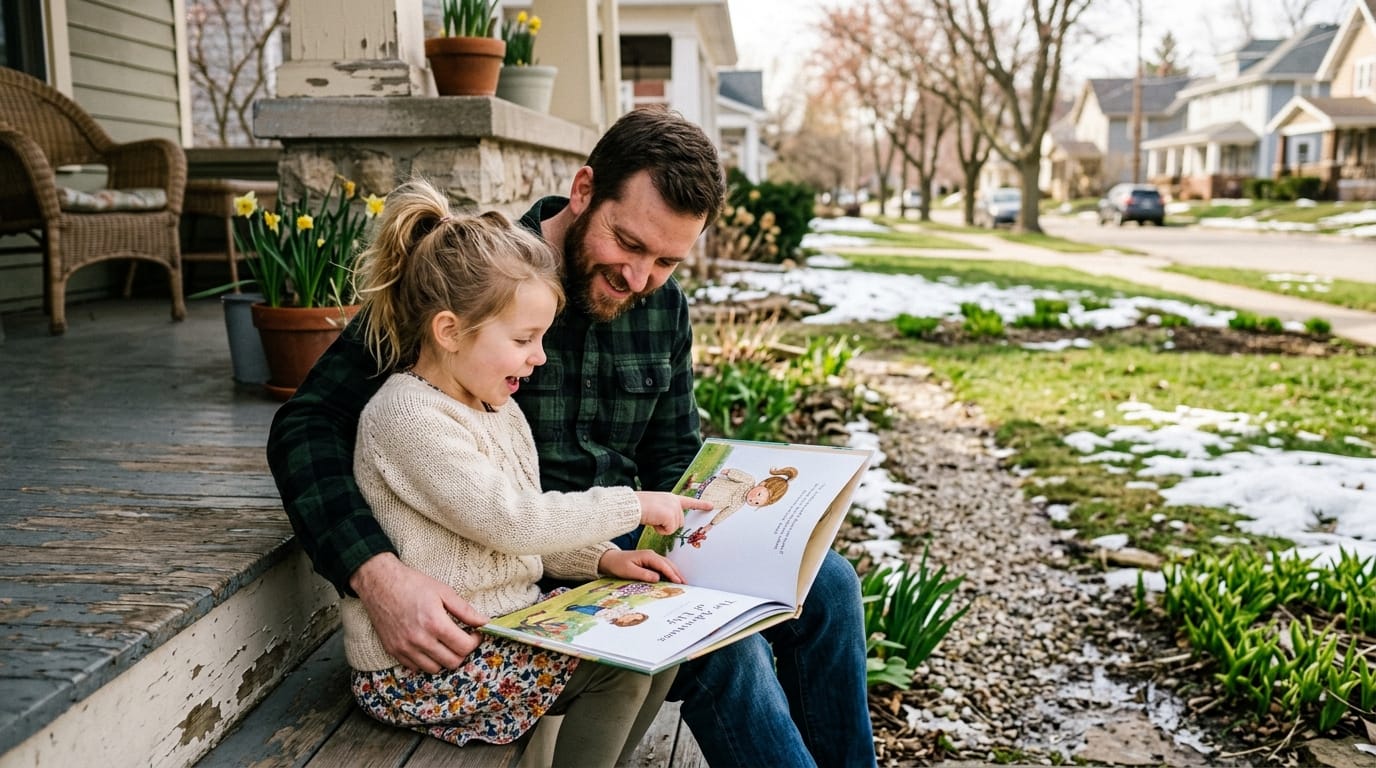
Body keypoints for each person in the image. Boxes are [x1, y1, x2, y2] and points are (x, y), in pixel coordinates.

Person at [267, 106, 876, 768]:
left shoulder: (662, 307)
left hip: (616, 544)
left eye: (667, 261)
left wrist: (732, 533)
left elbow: (675, 454)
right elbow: (309, 424)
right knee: (726, 646)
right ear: (584, 192)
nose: (640, 279)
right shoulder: (481, 276)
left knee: (832, 585)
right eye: (629, 244)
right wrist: (374, 573)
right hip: (525, 557)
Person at [341, 182, 708, 766]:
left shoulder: (496, 407)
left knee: (657, 651)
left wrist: (601, 560)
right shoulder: (409, 417)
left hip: (504, 628)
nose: (538, 356)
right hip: (421, 664)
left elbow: (522, 526)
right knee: (620, 671)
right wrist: (632, 506)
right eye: (523, 340)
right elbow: (513, 522)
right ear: (449, 331)